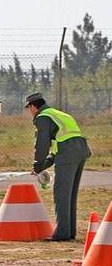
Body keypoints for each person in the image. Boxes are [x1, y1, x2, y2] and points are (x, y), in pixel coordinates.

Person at [25, 92, 91, 241]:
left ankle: (62, 234)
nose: (29, 112)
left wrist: (37, 165)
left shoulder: (43, 117)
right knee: (70, 194)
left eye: (28, 108)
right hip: (80, 150)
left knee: (61, 193)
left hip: (68, 152)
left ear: (33, 107)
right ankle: (69, 232)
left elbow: (42, 144)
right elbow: (56, 150)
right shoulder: (59, 115)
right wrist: (42, 166)